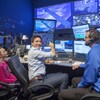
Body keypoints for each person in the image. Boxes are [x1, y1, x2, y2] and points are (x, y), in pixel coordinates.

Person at [59, 29, 100, 100]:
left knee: (61, 94)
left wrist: (80, 85)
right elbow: (95, 64)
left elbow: (89, 79)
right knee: (74, 80)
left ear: (91, 39)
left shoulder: (93, 52)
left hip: (96, 90)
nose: (84, 39)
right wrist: (81, 65)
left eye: (86, 37)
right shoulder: (97, 48)